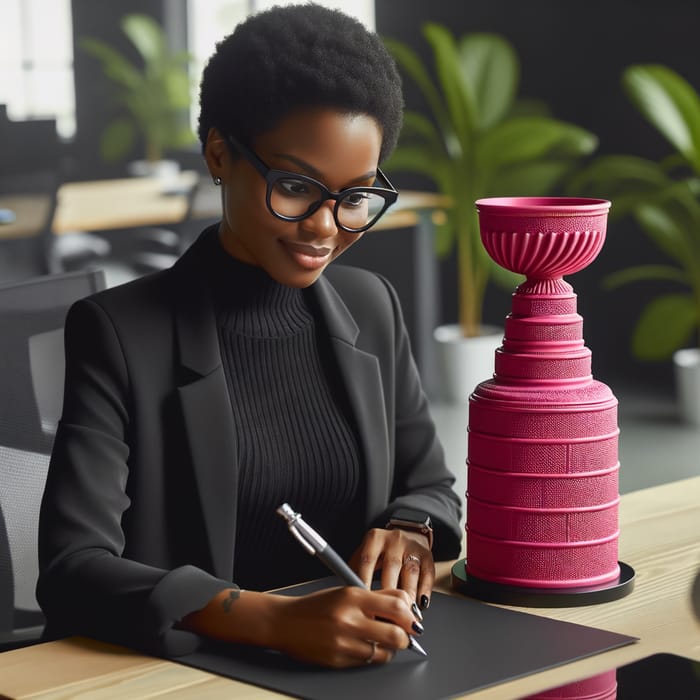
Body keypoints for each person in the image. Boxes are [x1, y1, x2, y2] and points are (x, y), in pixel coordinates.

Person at [37, 3, 462, 669]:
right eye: (295, 187)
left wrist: (411, 526)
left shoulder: (370, 305)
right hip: (203, 673)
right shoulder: (121, 334)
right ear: (218, 154)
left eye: (355, 197)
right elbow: (73, 568)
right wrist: (271, 620)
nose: (325, 228)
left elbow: (431, 484)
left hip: (367, 667)